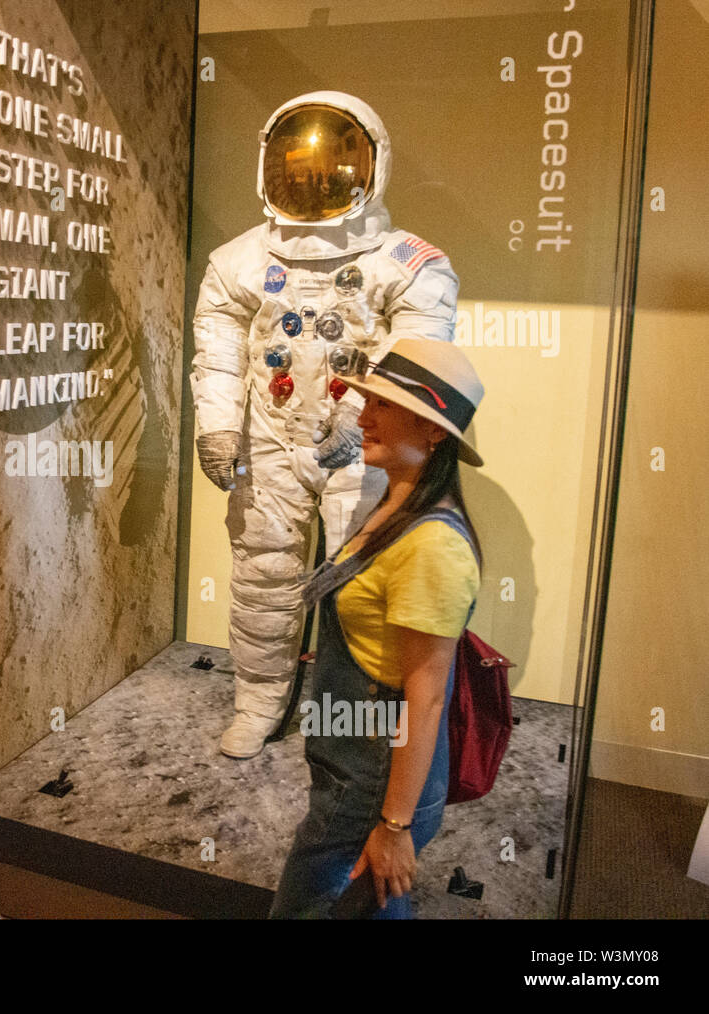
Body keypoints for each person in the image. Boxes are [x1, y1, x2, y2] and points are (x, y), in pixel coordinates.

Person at [191, 91, 459, 757]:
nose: (312, 181)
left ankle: (353, 720)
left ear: (370, 166)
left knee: (361, 580)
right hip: (270, 441)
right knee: (264, 573)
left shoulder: (410, 265)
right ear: (269, 167)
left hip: (363, 447)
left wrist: (355, 421)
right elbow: (217, 356)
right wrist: (219, 428)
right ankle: (257, 704)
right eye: (296, 166)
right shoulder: (238, 262)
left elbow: (417, 363)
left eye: (329, 166)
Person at [269, 338, 484, 919]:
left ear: (435, 431)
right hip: (350, 770)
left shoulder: (433, 544)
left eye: (384, 406)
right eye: (368, 401)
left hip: (371, 786)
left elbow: (428, 695)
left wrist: (394, 825)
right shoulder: (394, 506)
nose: (364, 416)